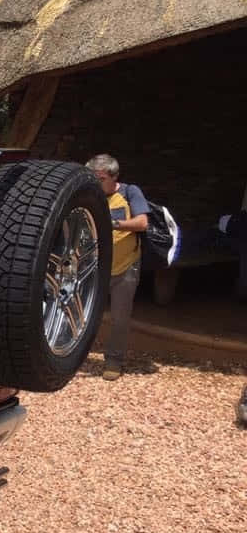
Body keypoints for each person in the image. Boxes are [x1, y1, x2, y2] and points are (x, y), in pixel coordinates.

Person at [87, 154, 148, 381]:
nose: (97, 183)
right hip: (95, 268)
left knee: (120, 318)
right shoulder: (90, 195)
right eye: (93, 178)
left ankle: (113, 360)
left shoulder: (130, 193)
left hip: (125, 267)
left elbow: (142, 223)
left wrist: (111, 223)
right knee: (85, 315)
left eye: (101, 178)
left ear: (114, 177)